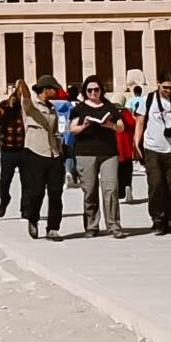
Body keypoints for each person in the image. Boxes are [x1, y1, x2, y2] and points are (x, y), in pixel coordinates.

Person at [133, 71, 171, 236]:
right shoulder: (148, 100)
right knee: (156, 185)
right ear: (158, 84)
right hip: (152, 148)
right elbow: (140, 122)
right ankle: (158, 220)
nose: (168, 91)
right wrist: (136, 143)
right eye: (165, 87)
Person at [69, 77, 124, 238]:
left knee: (111, 189)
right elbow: (72, 129)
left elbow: (121, 127)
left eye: (96, 89)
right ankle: (91, 225)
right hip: (86, 152)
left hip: (108, 152)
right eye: (90, 90)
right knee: (90, 190)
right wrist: (85, 125)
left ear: (101, 90)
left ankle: (113, 225)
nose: (93, 93)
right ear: (85, 91)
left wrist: (111, 125)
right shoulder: (79, 108)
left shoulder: (109, 106)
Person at [15, 76, 67, 240]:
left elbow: (55, 132)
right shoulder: (31, 107)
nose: (57, 91)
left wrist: (60, 152)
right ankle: (33, 219)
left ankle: (53, 228)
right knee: (36, 192)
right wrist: (22, 83)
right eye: (54, 89)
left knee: (56, 193)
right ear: (45, 89)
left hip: (54, 155)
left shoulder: (52, 108)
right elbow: (26, 96)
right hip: (35, 153)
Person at [0, 82, 26, 217]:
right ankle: (4, 198)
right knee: (5, 180)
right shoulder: (5, 105)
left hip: (24, 149)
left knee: (27, 181)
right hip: (8, 149)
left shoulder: (27, 107)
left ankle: (25, 208)